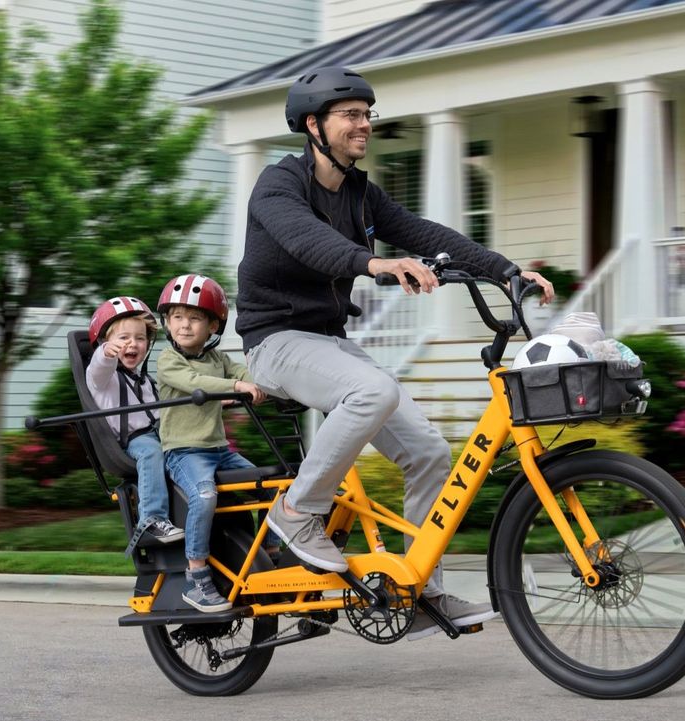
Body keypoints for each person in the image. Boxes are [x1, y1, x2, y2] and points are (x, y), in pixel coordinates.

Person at [236, 66, 555, 640]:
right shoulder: (278, 185)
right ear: (313, 125)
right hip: (273, 341)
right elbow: (307, 240)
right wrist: (373, 262)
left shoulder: (361, 194)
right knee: (373, 391)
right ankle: (297, 513)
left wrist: (506, 270)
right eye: (351, 115)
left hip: (329, 341)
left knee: (431, 452)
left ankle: (416, 589)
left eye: (367, 114)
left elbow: (424, 232)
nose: (365, 125)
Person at [155, 274, 269, 613]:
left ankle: (271, 551)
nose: (185, 325)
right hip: (183, 452)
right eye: (177, 317)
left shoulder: (218, 359)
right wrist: (235, 387)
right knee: (204, 496)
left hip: (218, 451)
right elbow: (193, 382)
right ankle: (197, 577)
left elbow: (243, 374)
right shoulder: (168, 360)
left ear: (213, 325)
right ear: (167, 322)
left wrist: (259, 385)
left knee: (272, 487)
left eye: (194, 318)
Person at [84, 296, 183, 551]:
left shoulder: (145, 380)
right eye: (123, 338)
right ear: (106, 342)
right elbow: (99, 366)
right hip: (133, 442)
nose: (133, 344)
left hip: (160, 434)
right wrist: (105, 353)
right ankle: (152, 520)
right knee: (151, 452)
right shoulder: (103, 380)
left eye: (140, 339)